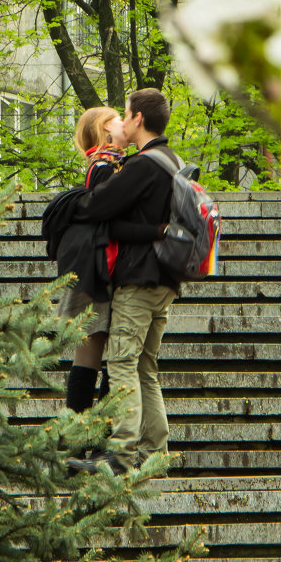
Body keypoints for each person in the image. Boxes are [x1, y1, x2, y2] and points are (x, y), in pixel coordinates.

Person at [70, 88, 180, 475]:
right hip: (167, 279)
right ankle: (155, 453)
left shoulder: (144, 165)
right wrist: (152, 229)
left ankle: (121, 455)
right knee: (145, 367)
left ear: (137, 119)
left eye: (126, 113)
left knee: (121, 364)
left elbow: (93, 206)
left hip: (139, 278)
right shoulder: (172, 160)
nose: (122, 120)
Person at [56, 106, 128, 413]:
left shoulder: (105, 161)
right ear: (105, 128)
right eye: (118, 119)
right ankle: (84, 437)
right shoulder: (105, 164)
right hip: (100, 270)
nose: (126, 122)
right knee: (94, 353)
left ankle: (81, 438)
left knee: (95, 352)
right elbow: (105, 212)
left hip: (97, 268)